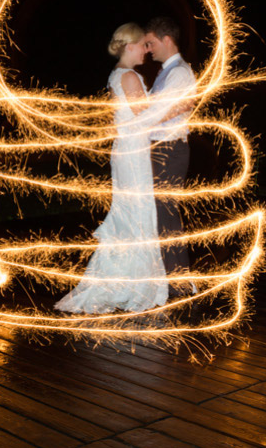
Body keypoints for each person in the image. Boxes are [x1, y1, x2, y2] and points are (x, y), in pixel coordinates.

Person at [55, 23, 182, 315]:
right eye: (142, 46)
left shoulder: (116, 74)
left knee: (129, 216)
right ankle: (132, 286)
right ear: (129, 46)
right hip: (133, 155)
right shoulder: (130, 77)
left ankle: (123, 281)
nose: (146, 51)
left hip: (126, 152)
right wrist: (177, 107)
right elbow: (147, 118)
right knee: (136, 217)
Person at [145, 16, 197, 297]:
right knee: (163, 217)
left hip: (169, 149)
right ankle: (174, 283)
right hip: (161, 149)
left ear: (167, 40)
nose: (149, 48)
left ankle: (183, 286)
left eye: (151, 43)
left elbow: (162, 113)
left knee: (166, 218)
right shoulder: (168, 72)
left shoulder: (178, 73)